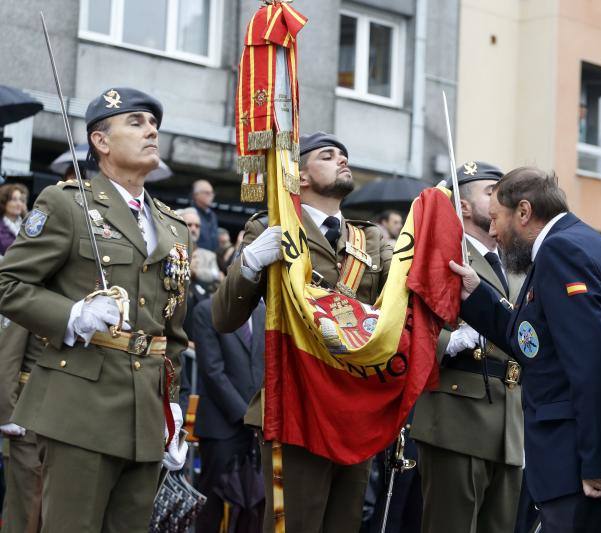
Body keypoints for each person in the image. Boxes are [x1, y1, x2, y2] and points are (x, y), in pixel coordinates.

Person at [0, 87, 190, 531]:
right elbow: (8, 284)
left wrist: (172, 408)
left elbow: (171, 333)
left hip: (146, 413)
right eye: (136, 122)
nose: (152, 131)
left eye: (153, 123)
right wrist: (71, 316)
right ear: (101, 142)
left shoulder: (173, 226)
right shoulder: (66, 203)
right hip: (81, 405)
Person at [449, 166, 601, 532]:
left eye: (496, 218)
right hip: (576, 457)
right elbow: (533, 342)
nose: (492, 230)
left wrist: (599, 463)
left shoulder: (562, 251)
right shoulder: (572, 242)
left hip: (580, 463)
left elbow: (592, 363)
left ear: (523, 212)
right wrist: (476, 295)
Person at [211, 131, 393, 533]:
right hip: (295, 402)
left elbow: (393, 313)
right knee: (295, 524)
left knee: (345, 523)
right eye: (328, 156)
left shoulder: (372, 239)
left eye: (344, 155)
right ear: (301, 176)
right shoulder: (270, 227)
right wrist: (250, 264)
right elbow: (224, 317)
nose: (342, 160)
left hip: (353, 404)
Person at [411, 161, 523, 533]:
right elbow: (405, 317)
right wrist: (448, 340)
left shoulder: (517, 263)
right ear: (463, 205)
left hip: (509, 420)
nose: (500, 199)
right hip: (458, 412)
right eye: (491, 192)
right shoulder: (443, 251)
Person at [192, 298, 265, 533]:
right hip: (221, 427)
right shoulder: (207, 311)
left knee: (254, 504)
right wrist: (247, 416)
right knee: (212, 504)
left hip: (259, 427)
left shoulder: (265, 312)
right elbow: (212, 371)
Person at [0, 319, 45, 533]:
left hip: (68, 420)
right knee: (25, 513)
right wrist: (7, 414)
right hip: (28, 420)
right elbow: (7, 354)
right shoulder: (32, 291)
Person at [0, 184, 28, 255]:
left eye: (21, 200)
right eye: (14, 199)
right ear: (4, 202)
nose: (19, 204)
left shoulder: (27, 224)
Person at [192, 179, 219, 252]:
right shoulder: (191, 214)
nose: (211, 195)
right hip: (196, 255)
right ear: (196, 195)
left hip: (211, 256)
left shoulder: (212, 215)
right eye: (207, 193)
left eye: (212, 193)